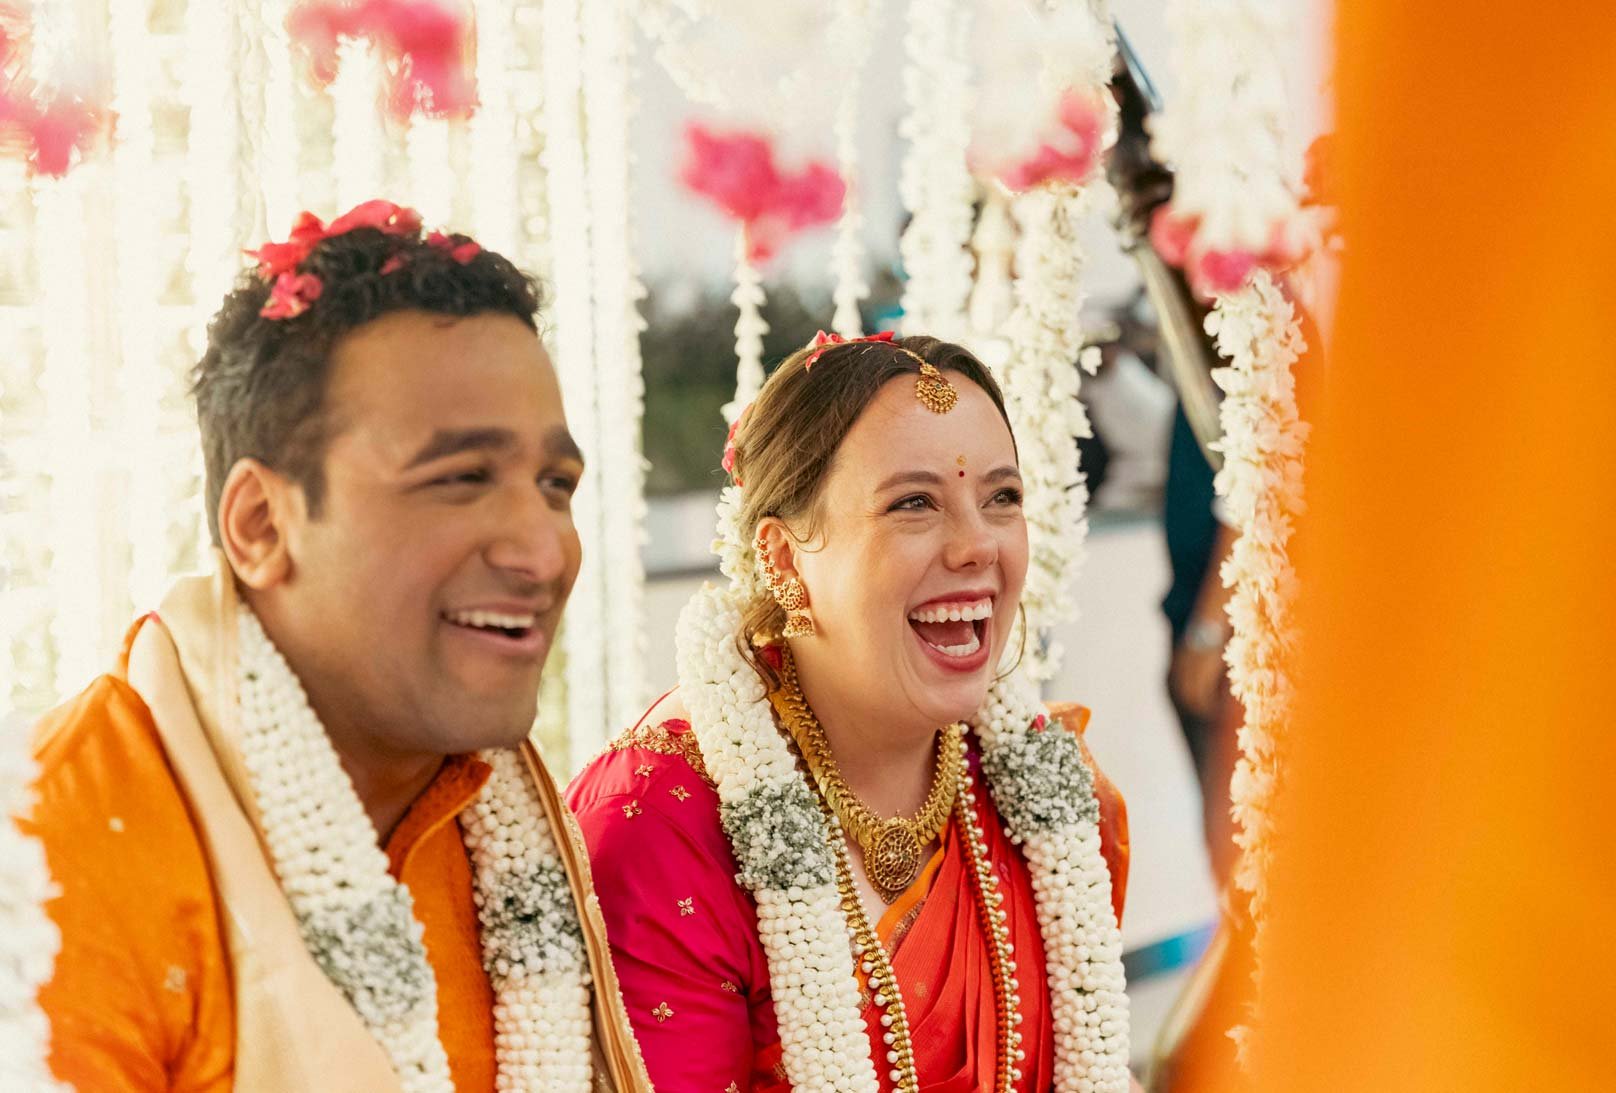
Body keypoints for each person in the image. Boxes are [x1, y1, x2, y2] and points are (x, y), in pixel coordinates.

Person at [20, 200, 651, 1092]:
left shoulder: (494, 818)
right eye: (462, 478)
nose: (544, 550)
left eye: (555, 485)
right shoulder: (58, 858)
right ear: (261, 523)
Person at [568, 332, 1139, 1092]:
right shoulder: (663, 822)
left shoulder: (1044, 797)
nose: (977, 546)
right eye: (914, 503)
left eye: (1002, 497)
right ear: (782, 557)